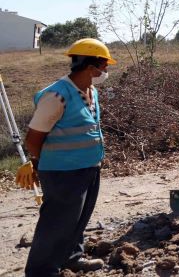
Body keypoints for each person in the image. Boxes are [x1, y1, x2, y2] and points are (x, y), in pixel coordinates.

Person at [18, 38, 116, 275]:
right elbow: (33, 138)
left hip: (89, 168)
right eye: (104, 66)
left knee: (78, 219)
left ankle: (72, 257)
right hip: (63, 173)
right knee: (56, 224)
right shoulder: (57, 96)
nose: (106, 71)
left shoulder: (90, 91)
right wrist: (42, 163)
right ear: (91, 67)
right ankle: (41, 271)